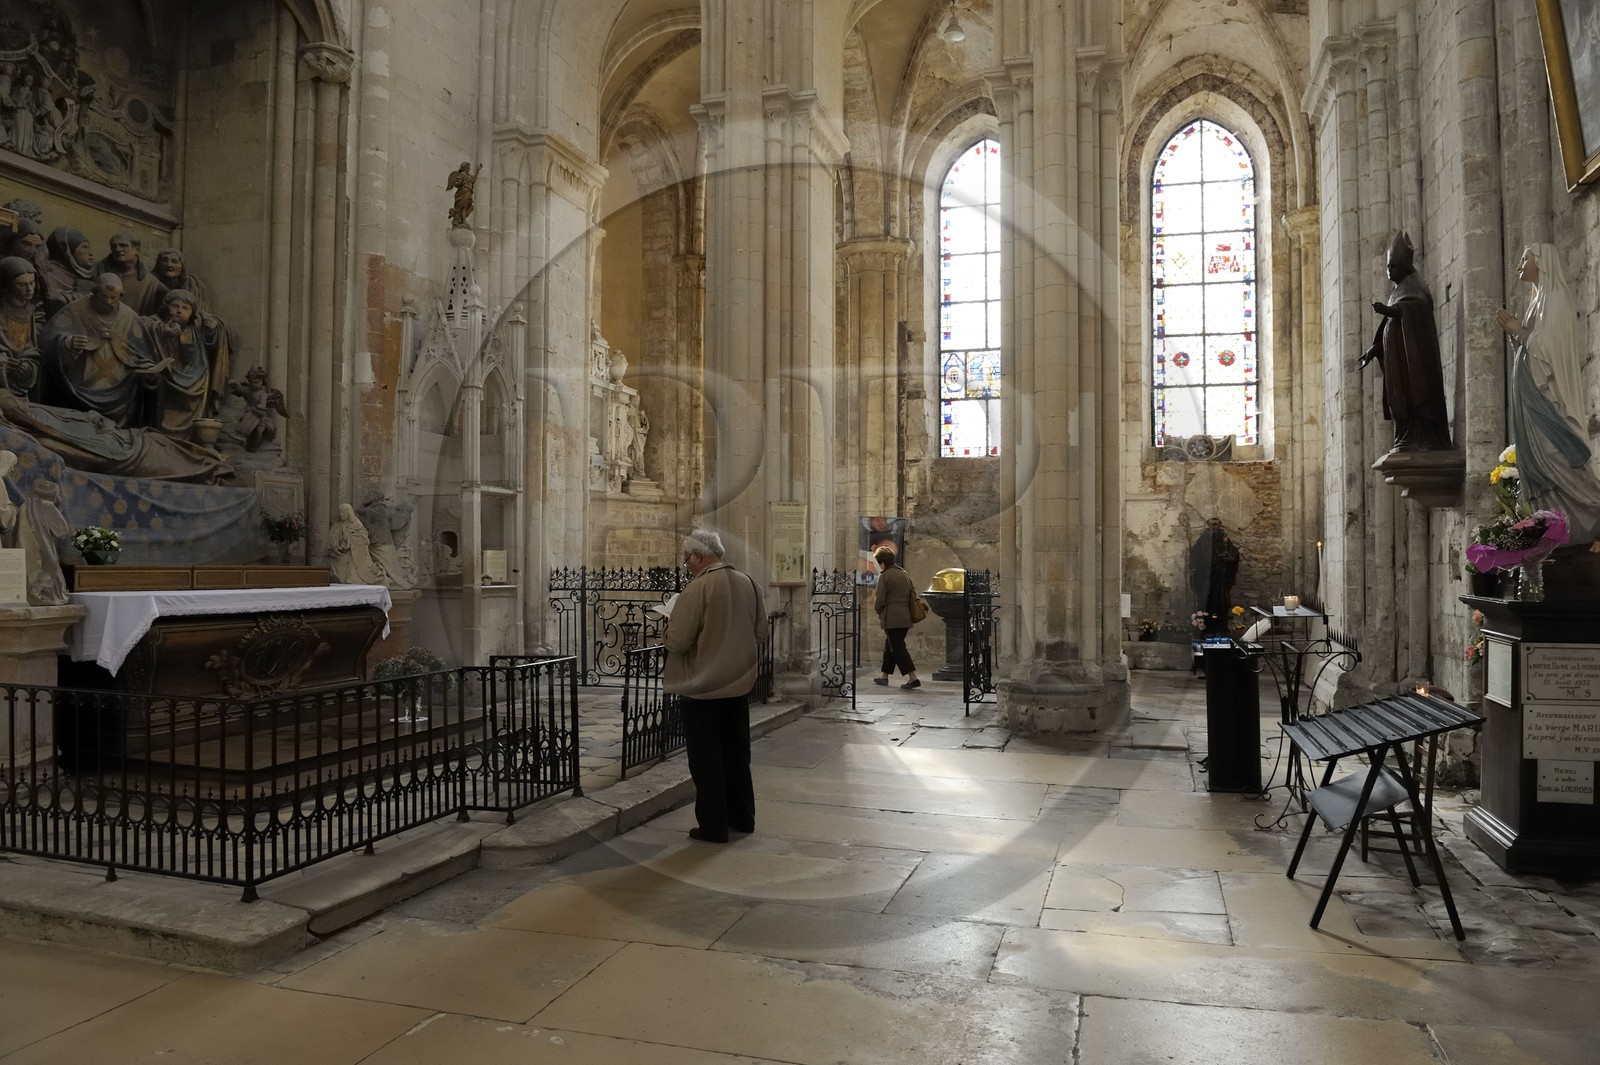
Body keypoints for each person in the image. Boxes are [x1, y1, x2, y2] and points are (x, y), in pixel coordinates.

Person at [663, 528, 766, 844]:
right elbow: (760, 632)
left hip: (704, 687)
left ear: (698, 556)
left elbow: (678, 641)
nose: (687, 566)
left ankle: (713, 826)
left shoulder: (698, 588)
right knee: (737, 754)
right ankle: (742, 818)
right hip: (738, 685)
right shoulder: (749, 583)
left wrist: (667, 628)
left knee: (706, 759)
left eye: (686, 561)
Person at [1496, 244, 1600, 543]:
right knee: (1536, 459)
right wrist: (1518, 333)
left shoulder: (1556, 300)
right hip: (1530, 393)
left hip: (1548, 397)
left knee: (1555, 454)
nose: (1519, 264)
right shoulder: (1536, 302)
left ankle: (1590, 511)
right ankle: (1552, 526)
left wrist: (1517, 329)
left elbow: (1548, 351)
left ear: (1543, 262)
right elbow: (1532, 348)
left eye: (1525, 258)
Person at [1359, 231, 1451, 452]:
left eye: (1393, 267)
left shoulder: (1414, 285)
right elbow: (1390, 327)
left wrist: (1391, 310)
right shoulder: (1398, 289)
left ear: (1405, 267)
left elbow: (1416, 307)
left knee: (1418, 400)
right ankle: (1407, 436)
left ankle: (1424, 437)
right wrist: (1375, 349)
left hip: (1415, 365)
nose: (1389, 272)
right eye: (1388, 267)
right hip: (1399, 365)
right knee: (1404, 406)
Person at [40, 272, 166, 427]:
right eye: (103, 297)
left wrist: (148, 372)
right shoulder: (75, 310)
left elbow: (142, 353)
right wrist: (68, 342)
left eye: (114, 298)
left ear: (121, 296)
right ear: (94, 293)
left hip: (121, 394)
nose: (108, 301)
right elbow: (47, 340)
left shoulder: (128, 317)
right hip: (78, 392)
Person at [144, 288, 227, 436]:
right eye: (175, 306)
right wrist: (162, 331)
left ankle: (190, 437)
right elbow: (142, 325)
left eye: (185, 308)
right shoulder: (155, 323)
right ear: (165, 307)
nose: (179, 311)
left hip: (196, 380)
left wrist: (211, 330)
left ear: (192, 312)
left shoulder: (196, 327)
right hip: (166, 381)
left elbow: (210, 343)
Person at [870, 545, 922, 689]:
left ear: (882, 562)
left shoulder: (885, 575)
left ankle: (913, 678)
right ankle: (884, 676)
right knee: (890, 646)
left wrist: (878, 609)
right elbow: (912, 593)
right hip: (905, 618)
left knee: (898, 648)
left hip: (892, 619)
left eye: (878, 563)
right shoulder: (903, 573)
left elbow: (879, 599)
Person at [0, 257, 44, 399]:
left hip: (20, 369)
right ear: (9, 285)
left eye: (32, 283)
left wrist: (27, 361)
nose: (29, 289)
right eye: (22, 285)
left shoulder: (29, 308)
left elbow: (28, 343)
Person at [1188, 517, 1241, 635]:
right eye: (1212, 524)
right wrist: (1193, 565)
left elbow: (1234, 554)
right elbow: (1195, 555)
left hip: (1221, 577)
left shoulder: (1225, 539)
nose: (1214, 527)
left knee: (1221, 601)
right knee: (1207, 600)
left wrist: (1228, 557)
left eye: (1216, 524)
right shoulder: (1203, 540)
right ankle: (1206, 628)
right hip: (1206, 577)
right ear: (1208, 525)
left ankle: (1221, 628)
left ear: (1219, 525)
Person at [38, 226, 95, 317]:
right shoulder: (48, 274)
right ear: (68, 251)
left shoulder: (91, 276)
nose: (90, 253)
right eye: (84, 247)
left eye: (88, 247)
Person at [328, 503, 390, 585]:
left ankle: (353, 577)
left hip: (355, 554)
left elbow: (365, 539)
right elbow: (331, 541)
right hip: (340, 553)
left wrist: (350, 539)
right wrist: (339, 544)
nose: (341, 514)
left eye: (343, 512)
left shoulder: (357, 525)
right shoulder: (336, 526)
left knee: (357, 568)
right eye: (340, 512)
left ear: (349, 513)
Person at [446, 161, 481, 228]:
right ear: (464, 167)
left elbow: (474, 179)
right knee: (463, 207)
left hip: (468, 192)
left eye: (469, 167)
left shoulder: (469, 175)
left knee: (470, 207)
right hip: (462, 192)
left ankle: (460, 218)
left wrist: (477, 170)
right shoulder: (462, 174)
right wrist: (458, 182)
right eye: (468, 167)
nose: (469, 169)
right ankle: (463, 221)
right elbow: (457, 184)